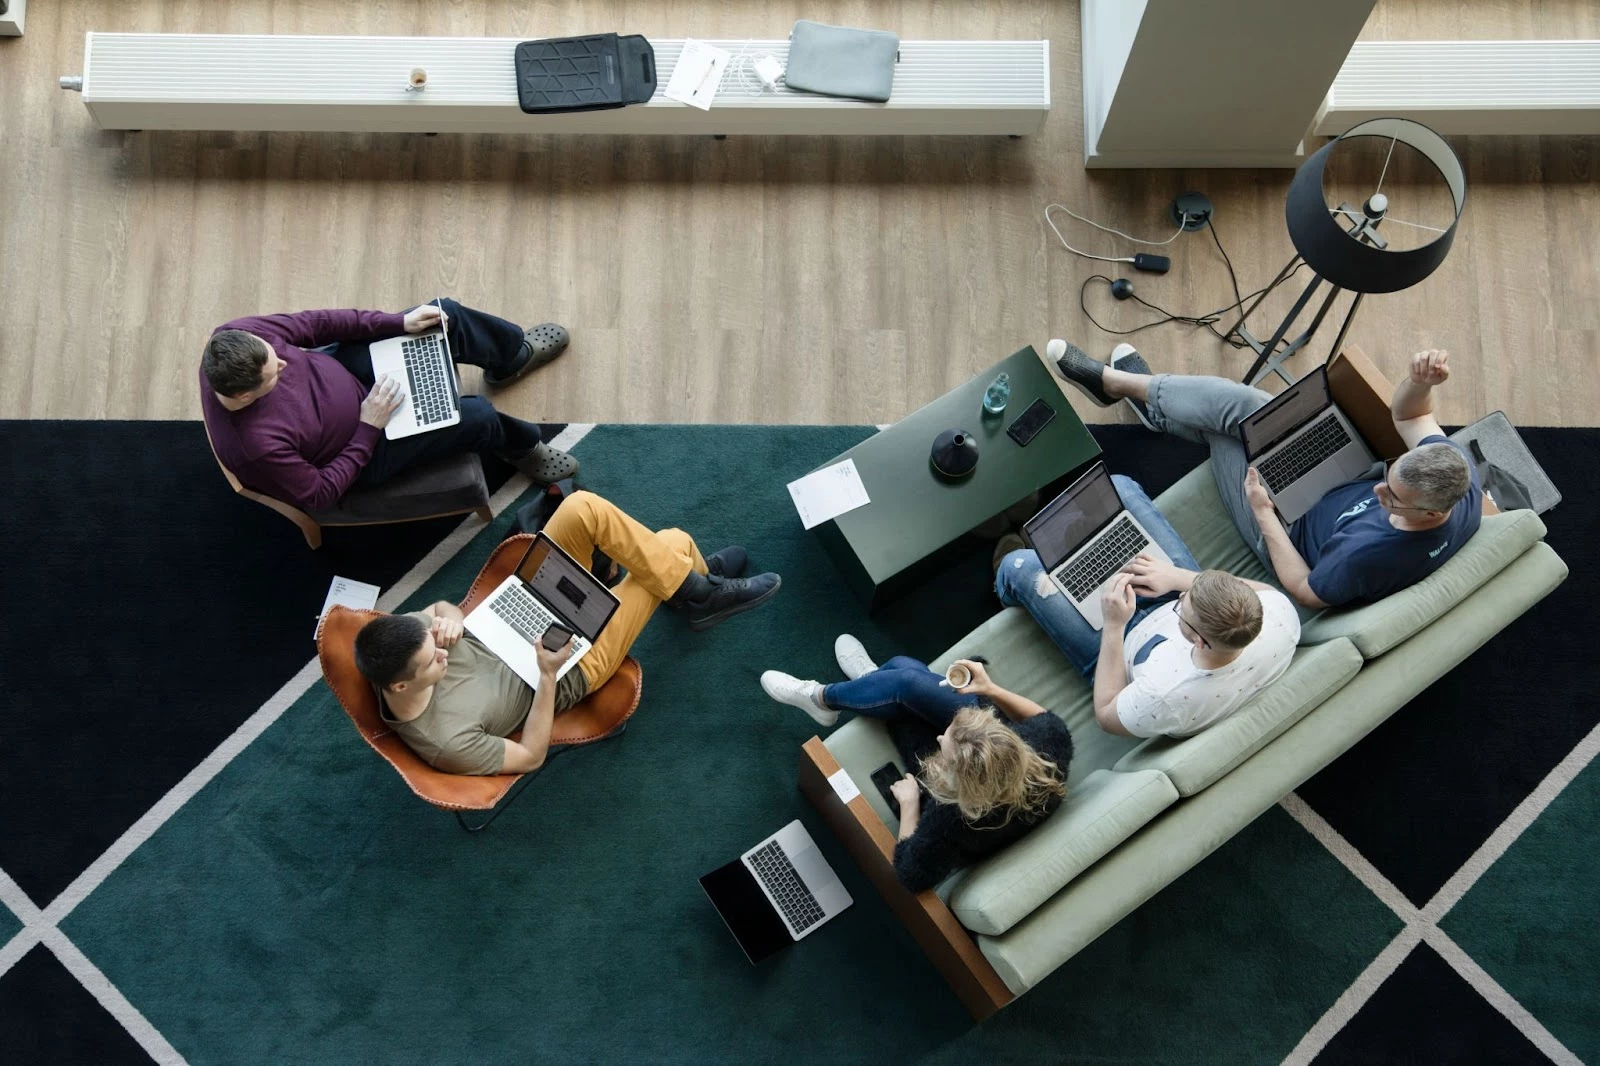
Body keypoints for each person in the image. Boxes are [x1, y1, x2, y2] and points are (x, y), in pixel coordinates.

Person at [353, 491, 781, 776]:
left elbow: (439, 610)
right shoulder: (444, 742)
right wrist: (546, 674)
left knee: (580, 507)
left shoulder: (401, 642)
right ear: (401, 685)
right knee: (674, 541)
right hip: (566, 663)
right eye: (434, 661)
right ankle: (694, 582)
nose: (443, 653)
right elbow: (529, 756)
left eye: (435, 643)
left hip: (518, 608)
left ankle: (694, 588)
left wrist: (454, 619)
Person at [1052, 340, 1481, 609]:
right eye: (1390, 476)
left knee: (1229, 433)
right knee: (1245, 408)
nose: (1380, 490)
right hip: (1339, 471)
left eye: (1392, 497)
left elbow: (1304, 589)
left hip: (1287, 527)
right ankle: (1134, 391)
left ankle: (1122, 386)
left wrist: (1263, 513)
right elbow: (1413, 414)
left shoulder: (1365, 557)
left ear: (1428, 515)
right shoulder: (1455, 475)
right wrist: (1419, 382)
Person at [200, 299, 580, 514]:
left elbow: (315, 324)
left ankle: (510, 356)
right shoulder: (255, 448)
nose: (285, 363)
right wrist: (369, 424)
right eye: (275, 374)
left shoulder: (238, 337)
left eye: (275, 357)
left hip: (345, 370)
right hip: (364, 445)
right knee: (478, 416)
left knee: (439, 316)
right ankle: (521, 448)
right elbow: (319, 495)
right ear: (245, 397)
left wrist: (399, 322)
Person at [759, 638, 1072, 892]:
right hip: (982, 763)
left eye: (943, 745)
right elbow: (1041, 719)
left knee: (902, 687)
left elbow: (910, 875)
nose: (939, 738)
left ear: (960, 775)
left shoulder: (951, 818)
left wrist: (909, 804)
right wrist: (990, 690)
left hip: (953, 791)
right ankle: (858, 686)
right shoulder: (1046, 751)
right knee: (904, 674)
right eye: (948, 733)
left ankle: (840, 692)